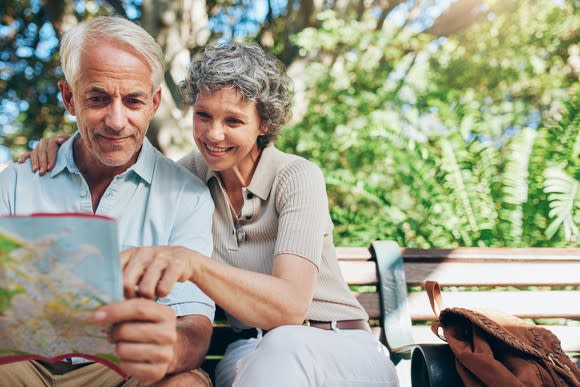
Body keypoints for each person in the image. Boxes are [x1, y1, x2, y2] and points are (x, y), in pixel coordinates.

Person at [22, 42, 400, 387]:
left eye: (233, 121)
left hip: (336, 345)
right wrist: (64, 147)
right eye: (203, 116)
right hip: (252, 351)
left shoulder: (295, 177)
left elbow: (289, 307)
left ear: (264, 124)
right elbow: (127, 165)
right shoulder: (186, 180)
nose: (213, 135)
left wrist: (193, 264)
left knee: (284, 346)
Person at [0, 16, 216, 387]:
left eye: (132, 100)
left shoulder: (186, 196)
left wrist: (161, 349)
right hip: (20, 367)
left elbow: (193, 327)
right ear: (69, 98)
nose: (117, 121)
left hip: (122, 369)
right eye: (98, 99)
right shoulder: (18, 182)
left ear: (154, 102)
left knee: (186, 384)